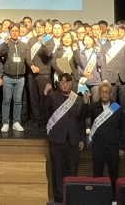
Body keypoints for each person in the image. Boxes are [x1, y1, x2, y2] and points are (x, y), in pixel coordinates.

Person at [42, 73, 85, 205]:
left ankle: (71, 197)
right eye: (62, 82)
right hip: (56, 140)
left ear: (72, 83)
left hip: (73, 140)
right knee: (57, 170)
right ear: (58, 83)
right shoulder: (52, 97)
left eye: (67, 82)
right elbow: (44, 114)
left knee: (72, 170)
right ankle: (59, 198)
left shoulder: (78, 99)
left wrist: (82, 139)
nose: (65, 84)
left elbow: (82, 121)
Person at [84, 82, 125, 203]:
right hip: (98, 146)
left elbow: (123, 128)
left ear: (110, 93)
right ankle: (98, 198)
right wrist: (85, 103)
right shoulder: (93, 106)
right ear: (99, 93)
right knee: (97, 173)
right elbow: (83, 115)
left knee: (113, 173)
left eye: (106, 92)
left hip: (113, 146)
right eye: (102, 92)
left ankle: (113, 198)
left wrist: (122, 147)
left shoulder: (117, 108)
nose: (104, 94)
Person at [0, 23, 29, 132]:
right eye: (12, 31)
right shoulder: (5, 43)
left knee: (18, 101)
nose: (14, 33)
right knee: (6, 100)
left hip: (20, 78)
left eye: (16, 31)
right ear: (9, 32)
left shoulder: (24, 45)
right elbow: (0, 54)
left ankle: (16, 122)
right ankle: (5, 122)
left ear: (19, 32)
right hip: (7, 77)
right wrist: (5, 43)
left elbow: (27, 59)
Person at [25, 21, 54, 130]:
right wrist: (31, 65)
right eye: (37, 27)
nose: (39, 29)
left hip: (43, 73)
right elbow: (27, 54)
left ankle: (44, 122)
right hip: (32, 73)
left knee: (44, 99)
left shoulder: (49, 40)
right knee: (34, 99)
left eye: (41, 27)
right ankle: (36, 120)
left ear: (45, 28)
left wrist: (42, 43)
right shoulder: (31, 40)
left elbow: (48, 53)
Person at [100, 25, 125, 109]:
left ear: (118, 32)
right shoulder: (104, 46)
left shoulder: (124, 44)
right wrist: (104, 78)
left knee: (124, 102)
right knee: (112, 102)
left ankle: (124, 117)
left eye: (115, 31)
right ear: (108, 33)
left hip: (123, 76)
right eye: (111, 31)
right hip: (110, 77)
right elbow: (103, 63)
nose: (113, 33)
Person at [77, 34, 103, 103]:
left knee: (95, 102)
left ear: (93, 41)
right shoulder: (80, 53)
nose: (87, 42)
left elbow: (100, 64)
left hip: (95, 81)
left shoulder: (96, 52)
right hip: (83, 81)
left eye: (89, 40)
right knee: (85, 103)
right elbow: (78, 66)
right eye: (85, 40)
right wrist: (83, 73)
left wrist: (99, 54)